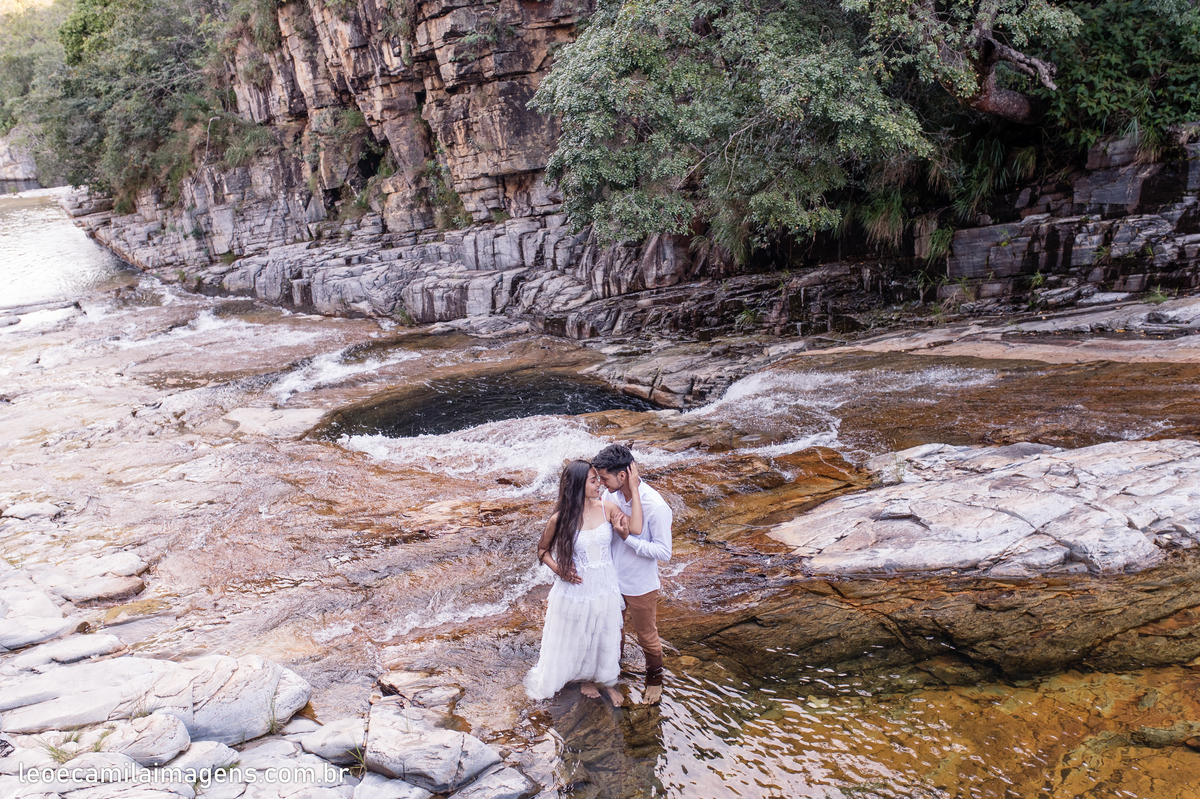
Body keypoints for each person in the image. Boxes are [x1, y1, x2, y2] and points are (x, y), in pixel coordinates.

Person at [525, 459, 643, 706]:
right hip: (576, 589)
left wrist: (633, 487)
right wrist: (560, 570)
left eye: (598, 479)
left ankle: (605, 682)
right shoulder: (559, 519)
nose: (599, 484)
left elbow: (636, 528)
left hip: (605, 586)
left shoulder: (607, 508)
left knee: (604, 634)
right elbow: (542, 551)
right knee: (578, 636)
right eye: (593, 481)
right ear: (579, 485)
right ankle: (583, 680)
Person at [592, 444, 672, 705]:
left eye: (604, 478)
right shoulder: (611, 495)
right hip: (611, 579)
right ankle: (614, 675)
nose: (601, 484)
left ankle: (655, 680)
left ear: (622, 475)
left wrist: (629, 539)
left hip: (640, 583)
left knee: (647, 636)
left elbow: (664, 552)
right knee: (613, 631)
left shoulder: (655, 506)